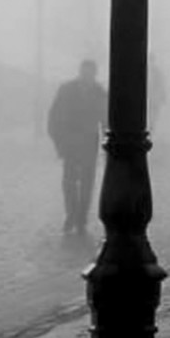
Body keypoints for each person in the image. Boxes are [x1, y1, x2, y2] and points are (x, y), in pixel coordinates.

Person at [47, 59, 107, 235]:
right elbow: (55, 116)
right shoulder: (67, 90)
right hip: (70, 142)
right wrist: (59, 141)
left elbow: (105, 120)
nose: (87, 76)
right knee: (69, 181)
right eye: (84, 72)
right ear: (80, 72)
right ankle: (71, 214)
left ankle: (81, 218)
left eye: (90, 73)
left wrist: (107, 142)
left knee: (87, 182)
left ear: (94, 74)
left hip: (90, 142)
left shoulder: (99, 92)